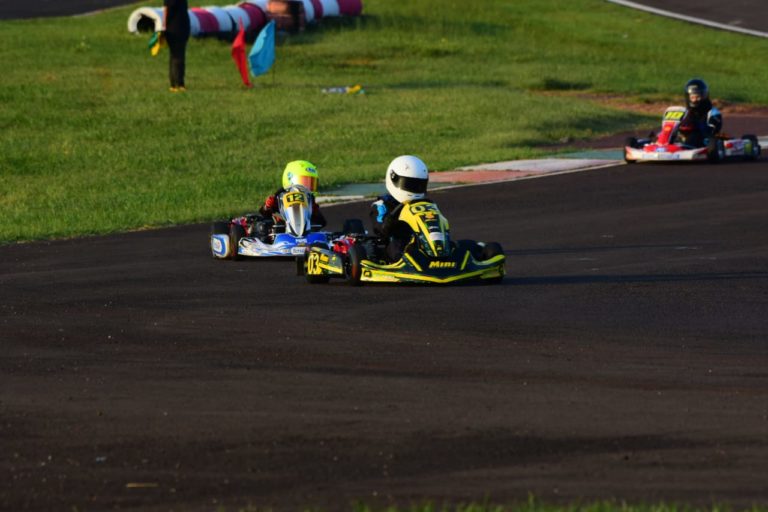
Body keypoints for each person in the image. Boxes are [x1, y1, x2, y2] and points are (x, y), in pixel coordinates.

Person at [369, 155, 430, 262]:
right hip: (395, 244)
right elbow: (381, 229)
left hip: (421, 239)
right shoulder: (381, 205)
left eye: (419, 185)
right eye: (410, 184)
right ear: (394, 178)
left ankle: (441, 255)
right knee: (397, 241)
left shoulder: (424, 205)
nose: (415, 189)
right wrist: (392, 220)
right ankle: (406, 262)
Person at [259, 160, 326, 228]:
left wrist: (314, 211)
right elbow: (264, 213)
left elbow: (322, 222)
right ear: (289, 179)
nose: (306, 187)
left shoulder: (309, 198)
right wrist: (267, 206)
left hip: (303, 230)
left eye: (311, 183)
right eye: (304, 182)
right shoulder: (279, 195)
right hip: (282, 228)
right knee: (267, 225)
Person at [677, 78, 722, 147]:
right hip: (684, 138)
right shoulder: (685, 112)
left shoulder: (712, 112)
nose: (695, 100)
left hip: (703, 140)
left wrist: (694, 126)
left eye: (697, 97)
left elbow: (713, 129)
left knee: (693, 136)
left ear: (704, 96)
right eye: (692, 97)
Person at [163, 0, 190, 92]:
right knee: (178, 57)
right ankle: (178, 83)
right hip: (176, 29)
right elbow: (166, 10)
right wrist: (164, 26)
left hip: (178, 28)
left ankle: (175, 83)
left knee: (175, 57)